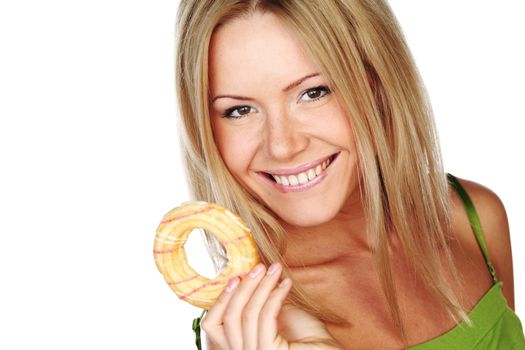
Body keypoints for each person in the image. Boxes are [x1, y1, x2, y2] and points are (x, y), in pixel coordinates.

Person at [174, 0, 525, 349]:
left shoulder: (471, 218)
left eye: (313, 92)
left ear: (377, 84)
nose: (282, 146)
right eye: (239, 110)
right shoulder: (249, 327)